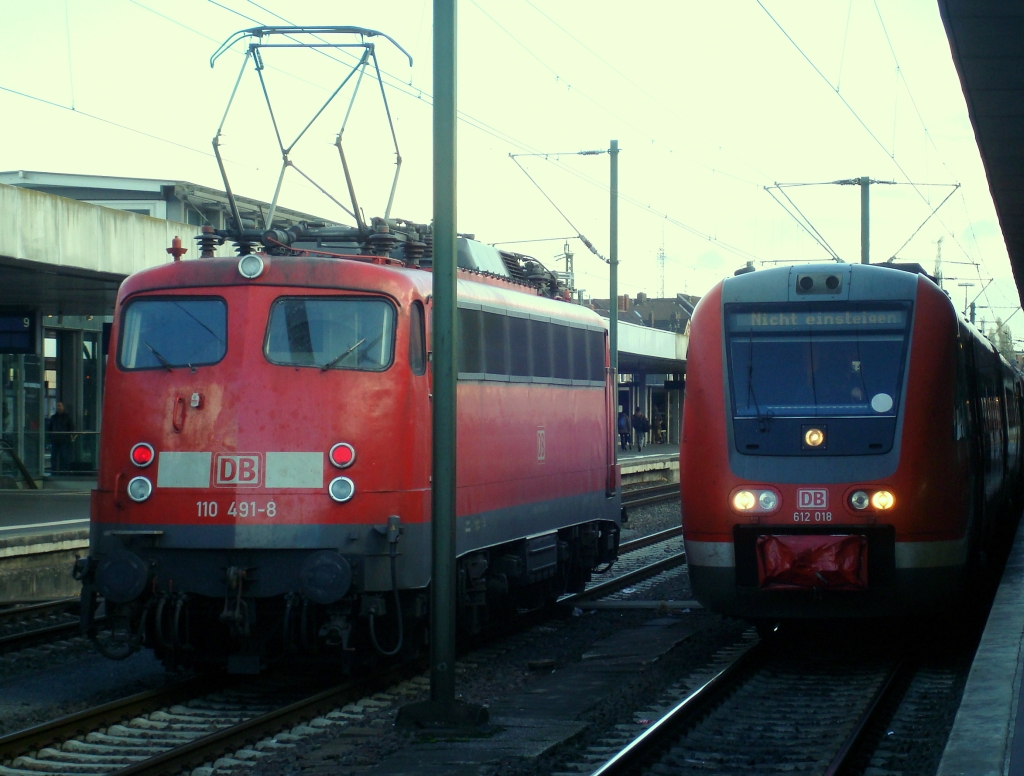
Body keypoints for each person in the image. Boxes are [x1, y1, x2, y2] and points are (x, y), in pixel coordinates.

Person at [48, 402, 74, 474]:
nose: (58, 407)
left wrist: (68, 436)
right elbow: (49, 428)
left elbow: (71, 428)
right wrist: (51, 437)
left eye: (59, 406)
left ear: (63, 407)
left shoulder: (67, 417)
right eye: (57, 406)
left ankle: (64, 471)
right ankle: (54, 471)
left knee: (64, 456)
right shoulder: (53, 417)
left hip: (64, 440)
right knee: (54, 456)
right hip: (55, 440)